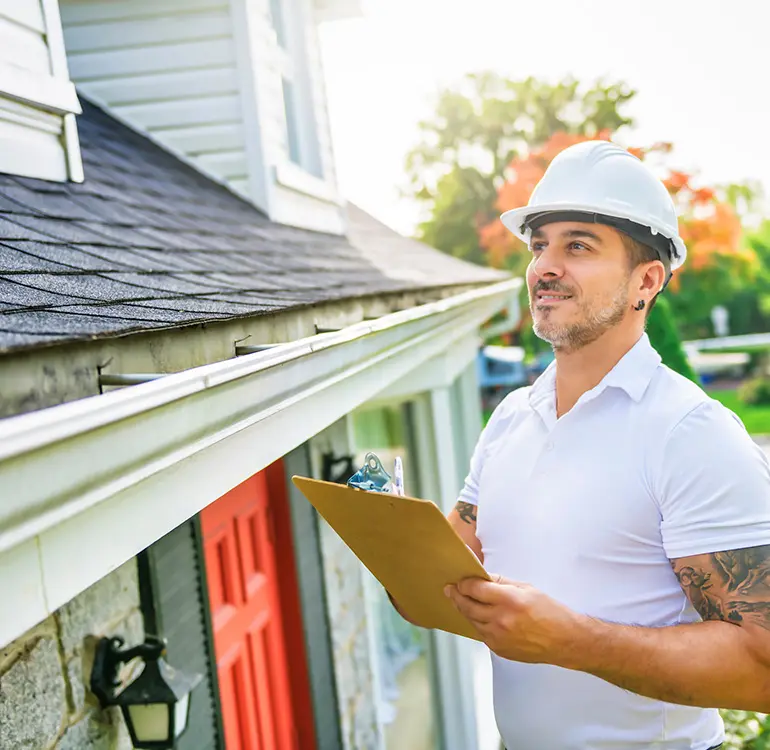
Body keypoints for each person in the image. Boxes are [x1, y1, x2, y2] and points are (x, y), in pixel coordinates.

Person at [438, 141, 770, 749]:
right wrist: (388, 537)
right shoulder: (512, 417)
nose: (545, 266)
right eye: (540, 245)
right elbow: (453, 560)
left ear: (647, 280)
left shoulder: (690, 434)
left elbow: (762, 666)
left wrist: (571, 642)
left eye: (578, 245)